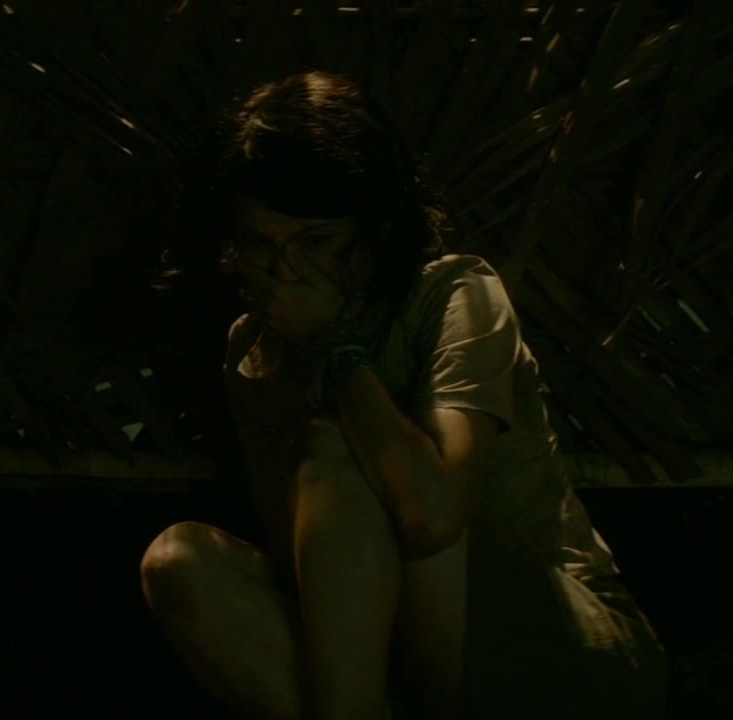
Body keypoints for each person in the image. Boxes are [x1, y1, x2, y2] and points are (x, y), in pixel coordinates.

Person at [139, 70, 668, 720]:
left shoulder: (456, 296)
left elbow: (433, 515)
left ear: (373, 228)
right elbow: (306, 559)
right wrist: (286, 372)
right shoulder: (252, 349)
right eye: (257, 244)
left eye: (315, 243)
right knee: (180, 561)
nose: (283, 271)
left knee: (340, 449)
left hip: (559, 645)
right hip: (389, 656)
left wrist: (338, 350)